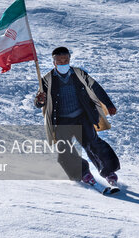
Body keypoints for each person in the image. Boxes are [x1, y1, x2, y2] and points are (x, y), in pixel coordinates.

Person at [34, 46, 120, 187]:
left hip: (82, 117)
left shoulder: (79, 74)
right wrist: (40, 100)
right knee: (65, 150)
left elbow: (95, 87)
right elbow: (38, 103)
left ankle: (109, 172)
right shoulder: (46, 80)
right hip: (61, 121)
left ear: (69, 59)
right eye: (59, 61)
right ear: (53, 62)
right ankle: (83, 173)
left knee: (93, 144)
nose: (63, 63)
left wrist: (108, 104)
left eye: (66, 60)